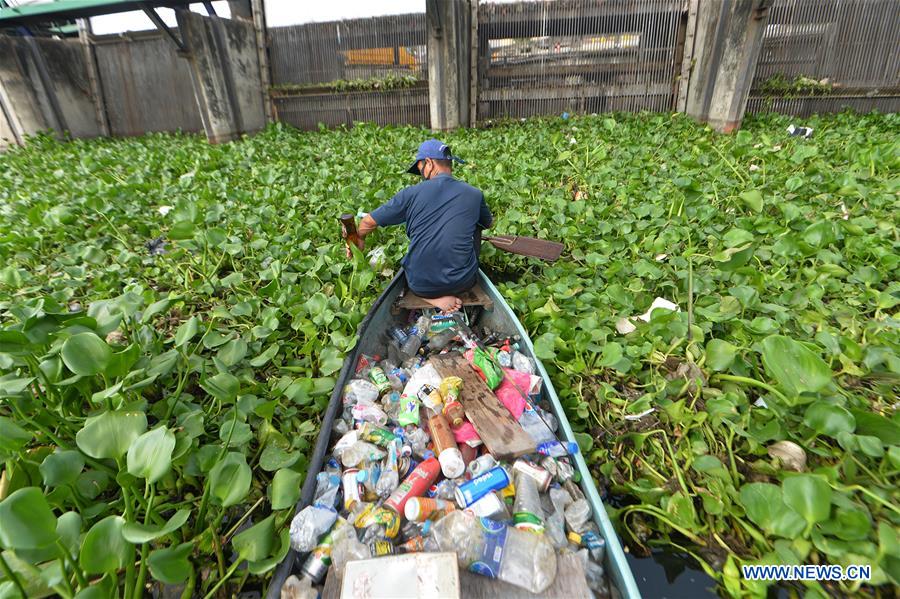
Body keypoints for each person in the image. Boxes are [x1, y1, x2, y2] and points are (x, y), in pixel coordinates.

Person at [345, 139, 492, 313]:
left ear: (428, 163)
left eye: (420, 168)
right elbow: (488, 223)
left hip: (420, 285)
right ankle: (448, 285)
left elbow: (368, 222)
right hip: (463, 282)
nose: (421, 174)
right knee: (477, 224)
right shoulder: (474, 194)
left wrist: (359, 239)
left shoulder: (410, 194)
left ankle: (430, 296)